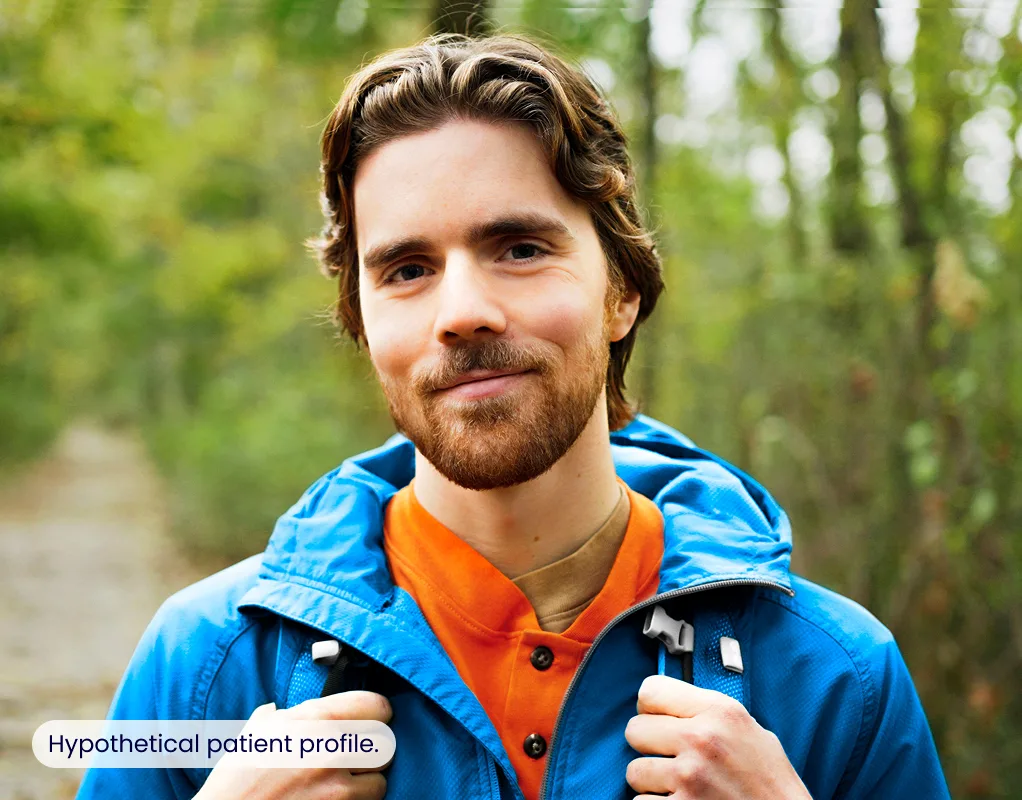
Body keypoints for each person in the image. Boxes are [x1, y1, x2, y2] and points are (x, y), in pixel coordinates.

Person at [76, 33, 951, 800]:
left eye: (521, 248)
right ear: (362, 321)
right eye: (407, 270)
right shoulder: (204, 665)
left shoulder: (839, 677)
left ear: (621, 292)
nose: (463, 312)